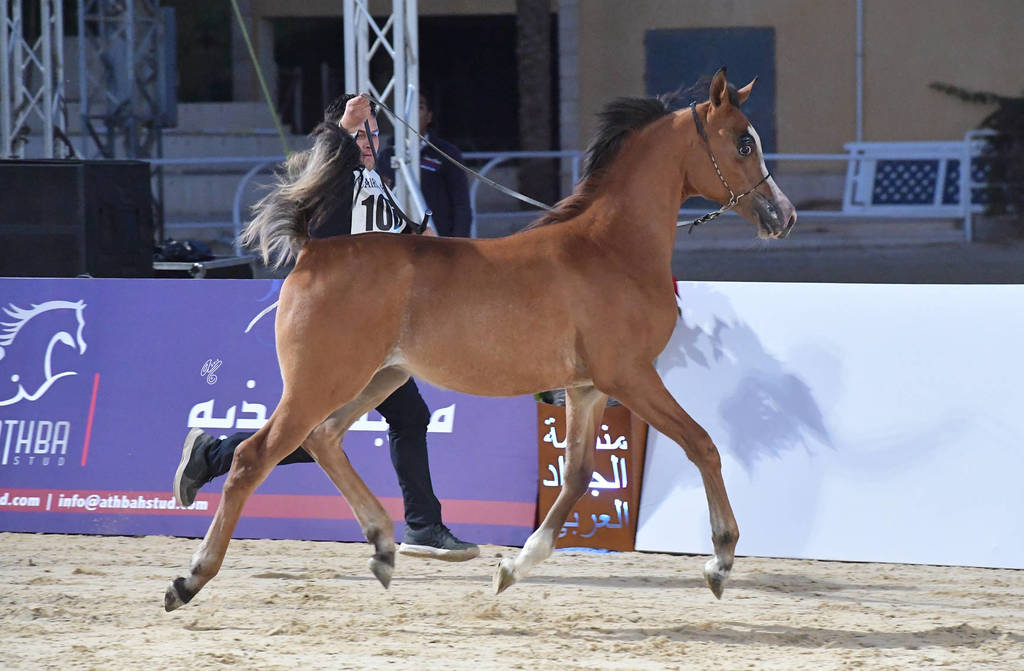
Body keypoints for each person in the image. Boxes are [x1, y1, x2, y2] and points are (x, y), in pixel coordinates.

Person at [173, 93, 479, 562]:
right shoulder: (338, 179)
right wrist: (344, 129)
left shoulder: (376, 183)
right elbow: (327, 162)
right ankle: (422, 525)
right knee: (330, 424)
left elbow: (401, 244)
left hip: (377, 330)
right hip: (342, 326)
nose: (370, 141)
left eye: (374, 133)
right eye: (362, 134)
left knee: (345, 423)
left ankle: (213, 455)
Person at [378, 92, 472, 238]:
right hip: (396, 242)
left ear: (429, 117)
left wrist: (458, 242)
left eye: (419, 107)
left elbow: (461, 204)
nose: (411, 113)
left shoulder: (446, 153)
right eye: (406, 107)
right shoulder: (386, 156)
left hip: (438, 239)